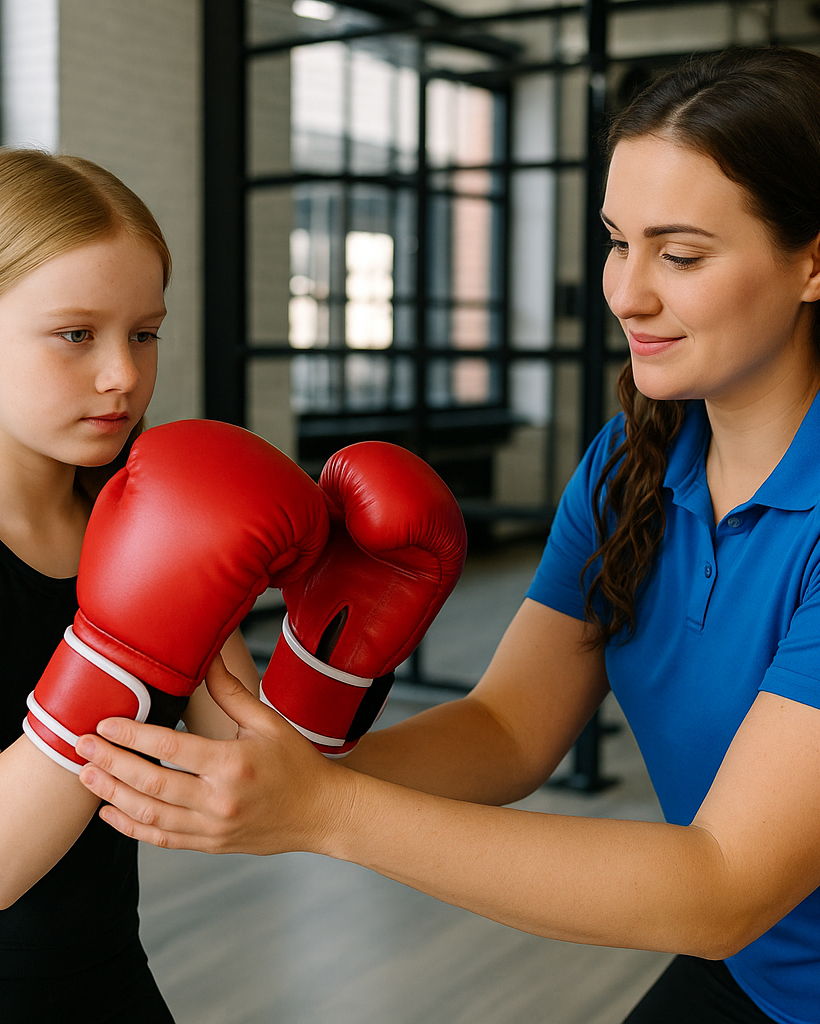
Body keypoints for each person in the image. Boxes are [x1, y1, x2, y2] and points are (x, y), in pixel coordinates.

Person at [76, 45, 820, 1024]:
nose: (625, 293)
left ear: (810, 260)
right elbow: (510, 727)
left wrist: (324, 813)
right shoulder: (630, 460)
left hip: (744, 932)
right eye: (615, 240)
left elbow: (722, 883)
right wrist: (273, 769)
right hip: (756, 971)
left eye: (679, 254)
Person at [0, 148, 259, 1023]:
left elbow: (241, 755)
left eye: (142, 332)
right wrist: (124, 640)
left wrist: (340, 630)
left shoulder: (139, 515)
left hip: (110, 983)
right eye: (77, 334)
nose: (122, 374)